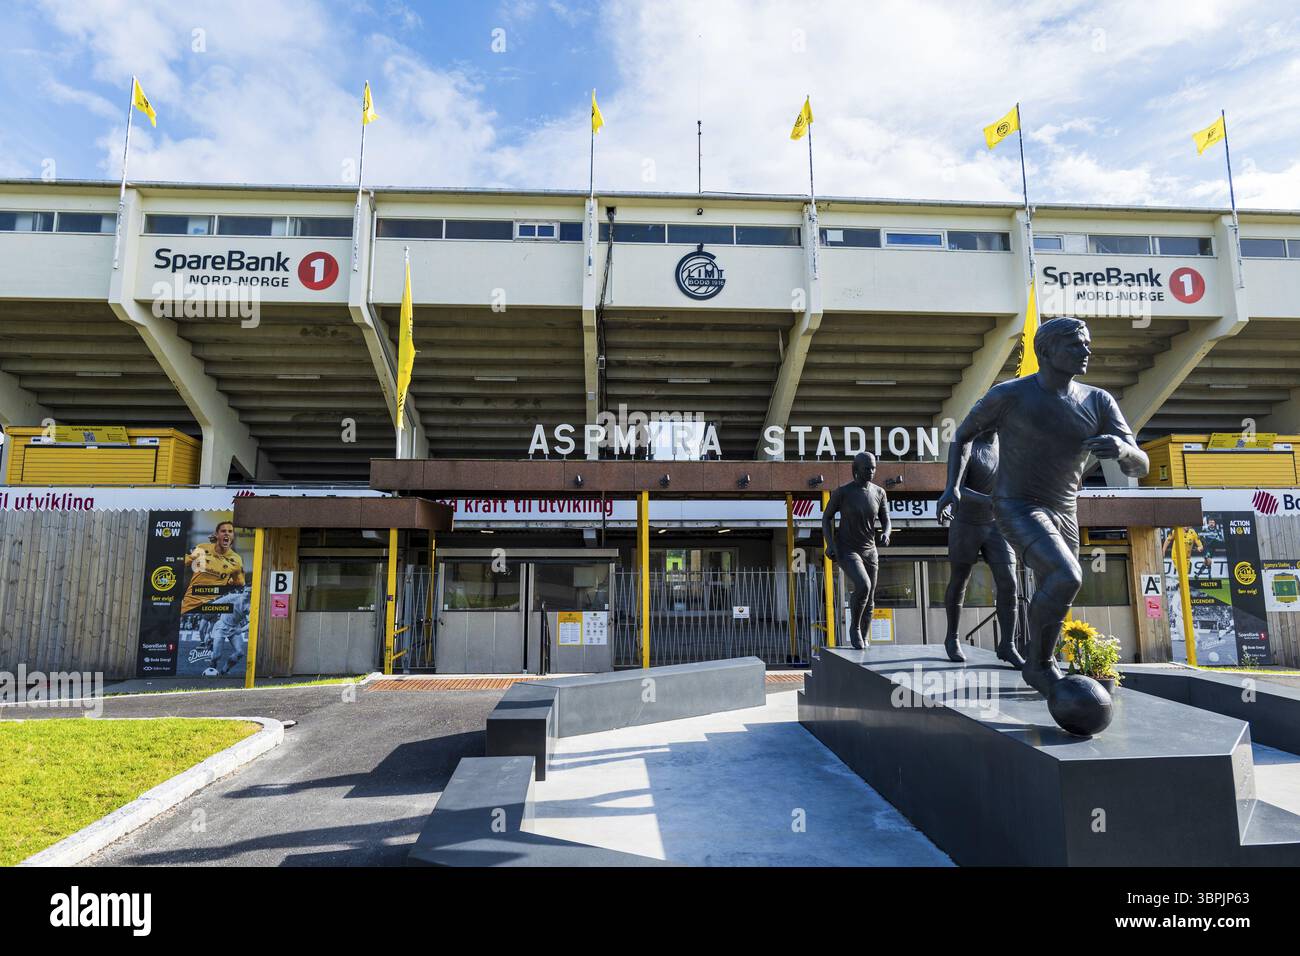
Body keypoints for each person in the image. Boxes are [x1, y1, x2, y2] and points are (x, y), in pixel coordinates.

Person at [937, 317, 1148, 695]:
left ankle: (1034, 656)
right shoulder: (1009, 395)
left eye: (1087, 343)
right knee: (1067, 576)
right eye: (1075, 344)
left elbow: (1140, 464)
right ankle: (1039, 664)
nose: (1086, 351)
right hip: (1016, 505)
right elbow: (963, 436)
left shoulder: (1098, 400)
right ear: (1046, 351)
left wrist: (1123, 450)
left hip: (1066, 510)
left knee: (1058, 588)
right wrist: (952, 487)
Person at [937, 430, 1024, 668]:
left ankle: (1008, 644)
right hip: (966, 523)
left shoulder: (1007, 447)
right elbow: (957, 488)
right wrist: (990, 500)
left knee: (1009, 582)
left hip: (997, 526)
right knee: (960, 580)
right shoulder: (967, 447)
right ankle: (952, 637)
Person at [822, 452, 891, 650]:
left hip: (870, 550)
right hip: (847, 548)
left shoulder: (879, 492)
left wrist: (886, 533)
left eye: (873, 468)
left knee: (870, 598)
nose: (871, 472)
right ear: (856, 470)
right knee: (863, 585)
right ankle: (855, 629)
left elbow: (886, 520)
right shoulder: (843, 492)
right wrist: (830, 544)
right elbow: (826, 517)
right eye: (866, 468)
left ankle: (865, 635)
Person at [181, 520, 245, 615]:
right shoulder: (202, 548)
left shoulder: (236, 560)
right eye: (223, 531)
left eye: (230, 531)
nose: (227, 533)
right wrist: (192, 557)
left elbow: (239, 583)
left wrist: (230, 581)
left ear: (233, 536)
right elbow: (184, 561)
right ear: (216, 534)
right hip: (190, 604)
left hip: (213, 608)